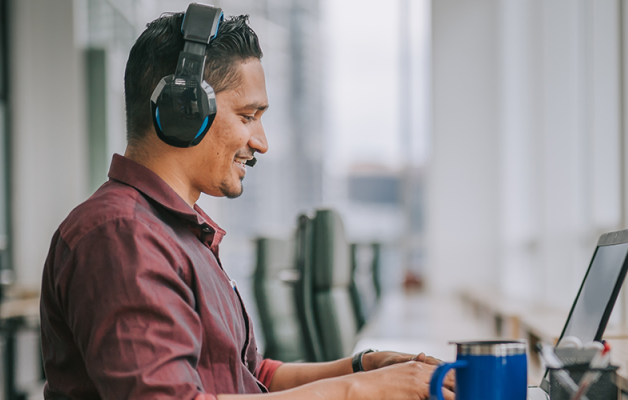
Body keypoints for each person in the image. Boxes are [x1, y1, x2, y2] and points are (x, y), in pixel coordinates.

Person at [39, 10, 454, 400]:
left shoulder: (178, 232)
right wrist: (360, 392)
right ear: (185, 111)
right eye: (248, 115)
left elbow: (251, 377)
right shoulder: (121, 236)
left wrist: (364, 367)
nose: (262, 142)